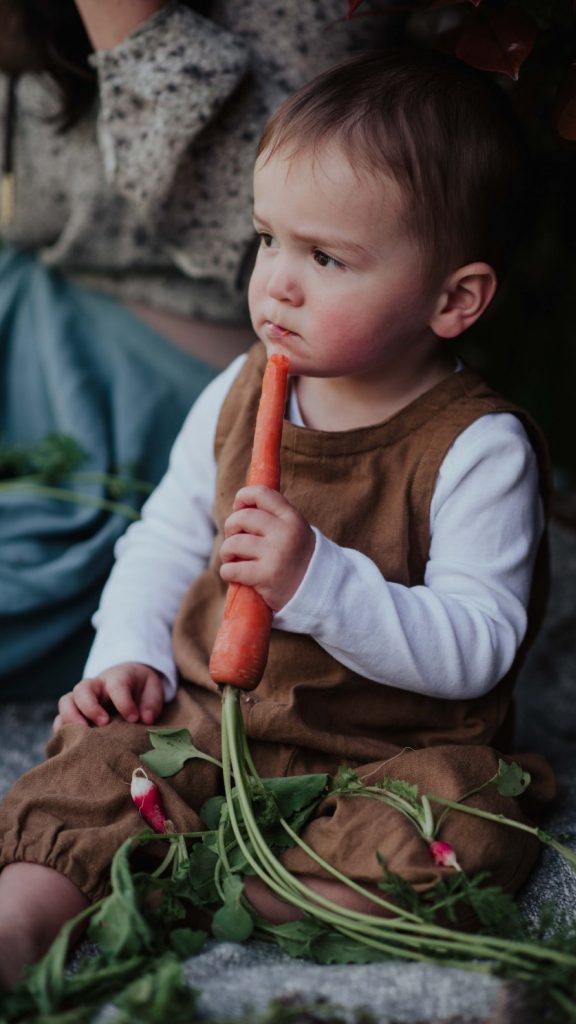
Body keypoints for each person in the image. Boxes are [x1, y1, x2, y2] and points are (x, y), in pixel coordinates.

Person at [0, 49, 556, 985]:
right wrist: (125, 657)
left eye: (326, 257)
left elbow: (480, 642)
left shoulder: (477, 447)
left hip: (387, 750)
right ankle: (20, 924)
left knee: (462, 816)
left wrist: (316, 582)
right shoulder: (242, 387)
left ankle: (243, 886)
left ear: (452, 299)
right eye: (268, 240)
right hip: (204, 726)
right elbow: (167, 538)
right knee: (91, 771)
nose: (277, 284)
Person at [0, 0, 390, 699]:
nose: (286, 270)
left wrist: (128, 21)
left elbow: (262, 236)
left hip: (154, 388)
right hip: (28, 312)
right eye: (274, 240)